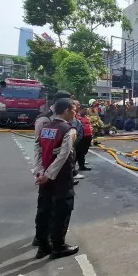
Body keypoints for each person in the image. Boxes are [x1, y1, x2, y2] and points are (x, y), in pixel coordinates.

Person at [33, 98, 80, 260]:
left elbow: (38, 149)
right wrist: (48, 175)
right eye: (74, 109)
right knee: (62, 210)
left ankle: (42, 245)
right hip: (60, 178)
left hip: (45, 176)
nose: (75, 113)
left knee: (44, 209)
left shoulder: (46, 127)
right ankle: (58, 246)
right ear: (66, 110)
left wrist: (39, 171)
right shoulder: (68, 130)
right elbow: (63, 155)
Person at [76, 107, 93, 171]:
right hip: (82, 137)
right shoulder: (77, 117)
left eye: (86, 110)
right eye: (84, 110)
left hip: (88, 136)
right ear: (80, 110)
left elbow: (89, 125)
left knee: (84, 151)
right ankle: (80, 166)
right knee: (80, 152)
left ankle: (81, 165)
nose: (85, 111)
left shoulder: (87, 117)